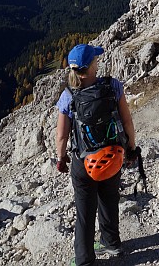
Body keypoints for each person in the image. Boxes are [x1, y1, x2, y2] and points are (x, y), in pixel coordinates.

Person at [55, 44, 136, 266]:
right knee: (110, 198)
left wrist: (60, 159)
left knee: (84, 210)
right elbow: (127, 121)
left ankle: (84, 260)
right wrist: (131, 148)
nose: (98, 62)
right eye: (95, 60)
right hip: (112, 155)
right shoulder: (112, 86)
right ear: (92, 65)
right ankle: (111, 243)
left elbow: (62, 136)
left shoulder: (68, 95)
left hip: (84, 162)